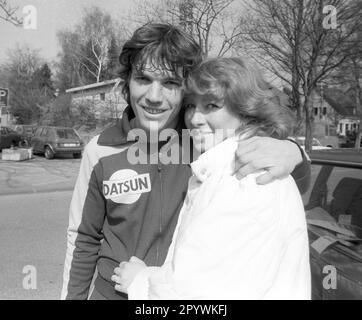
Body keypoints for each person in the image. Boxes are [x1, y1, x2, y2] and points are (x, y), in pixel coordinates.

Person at [61, 23, 310, 300]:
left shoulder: (205, 142)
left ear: (186, 89)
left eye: (170, 83)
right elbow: (83, 238)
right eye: (143, 79)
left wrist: (293, 152)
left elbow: (285, 184)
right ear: (126, 83)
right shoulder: (101, 150)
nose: (154, 97)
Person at [112, 57, 311, 299]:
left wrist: (140, 282)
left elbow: (200, 297)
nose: (194, 118)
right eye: (190, 106)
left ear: (247, 110)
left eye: (212, 106)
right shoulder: (219, 166)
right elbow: (215, 274)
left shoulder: (245, 179)